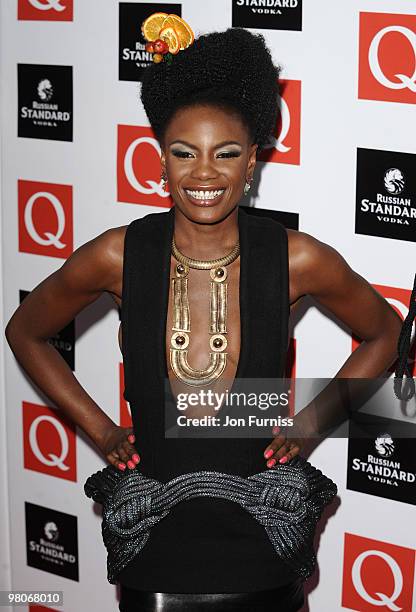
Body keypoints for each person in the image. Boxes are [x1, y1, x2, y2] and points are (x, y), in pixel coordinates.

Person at [4, 20, 403, 612]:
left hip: (264, 538)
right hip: (155, 543)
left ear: (253, 164)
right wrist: (102, 431)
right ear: (161, 161)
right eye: (183, 153)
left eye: (228, 154)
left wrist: (312, 422)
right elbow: (26, 330)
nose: (204, 174)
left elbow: (386, 333)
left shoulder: (296, 257)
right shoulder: (120, 253)